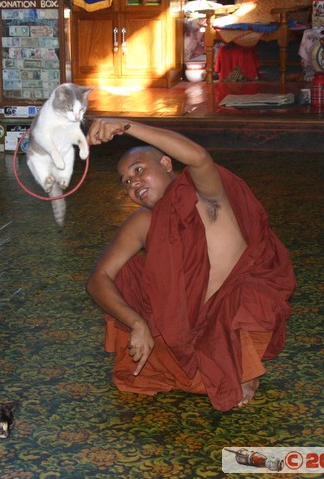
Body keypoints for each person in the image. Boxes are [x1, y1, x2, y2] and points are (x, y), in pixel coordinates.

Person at [85, 119, 295, 411]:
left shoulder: (207, 197)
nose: (133, 183)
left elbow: (198, 158)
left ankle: (243, 368)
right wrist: (137, 322)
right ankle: (215, 365)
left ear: (166, 162)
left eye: (138, 170)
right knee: (128, 273)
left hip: (229, 316)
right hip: (183, 330)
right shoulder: (144, 223)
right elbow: (99, 278)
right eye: (126, 182)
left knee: (251, 293)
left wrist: (125, 126)